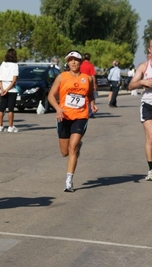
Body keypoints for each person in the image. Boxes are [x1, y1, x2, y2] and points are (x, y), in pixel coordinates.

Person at [47, 50, 98, 192]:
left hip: (81, 116)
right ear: (67, 62)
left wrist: (92, 104)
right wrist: (58, 109)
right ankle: (75, 148)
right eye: (70, 60)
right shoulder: (61, 77)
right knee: (64, 152)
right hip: (64, 117)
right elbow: (51, 96)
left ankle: (69, 181)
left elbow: (89, 95)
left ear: (81, 62)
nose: (73, 62)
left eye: (76, 60)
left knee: (72, 147)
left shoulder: (87, 78)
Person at [128, 37, 152, 181]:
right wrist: (142, 82)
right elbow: (131, 86)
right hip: (148, 105)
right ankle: (151, 170)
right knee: (150, 137)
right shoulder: (143, 67)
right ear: (149, 49)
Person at [0, 48, 19, 133]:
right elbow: (14, 79)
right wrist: (7, 89)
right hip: (11, 89)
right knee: (11, 109)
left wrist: (2, 88)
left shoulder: (3, 64)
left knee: (1, 108)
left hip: (2, 87)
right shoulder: (15, 65)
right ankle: (10, 126)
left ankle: (0, 126)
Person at [80, 53, 98, 118]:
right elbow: (93, 76)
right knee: (90, 98)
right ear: (89, 58)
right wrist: (94, 84)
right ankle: (90, 112)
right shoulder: (91, 65)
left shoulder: (80, 65)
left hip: (80, 82)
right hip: (88, 83)